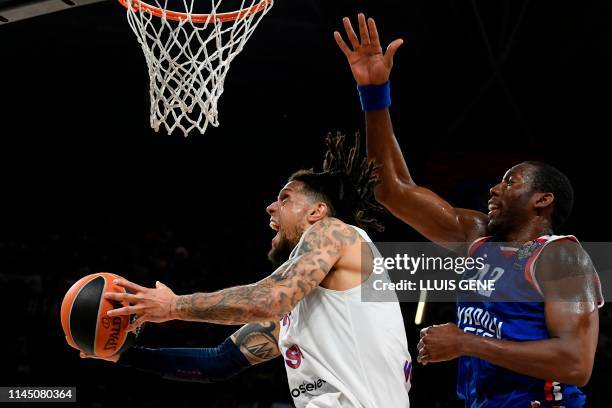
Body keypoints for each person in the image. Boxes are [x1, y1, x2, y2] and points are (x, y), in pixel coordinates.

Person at [334, 13, 604, 408]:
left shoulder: (562, 256)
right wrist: (375, 93)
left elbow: (577, 363)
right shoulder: (475, 236)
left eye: (511, 181)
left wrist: (465, 342)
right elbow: (393, 190)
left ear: (542, 200)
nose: (494, 187)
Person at [81, 132, 412, 408]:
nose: (271, 206)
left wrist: (173, 306)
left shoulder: (332, 231)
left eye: (285, 198)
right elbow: (220, 361)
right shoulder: (308, 307)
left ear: (316, 212)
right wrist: (124, 357)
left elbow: (269, 299)